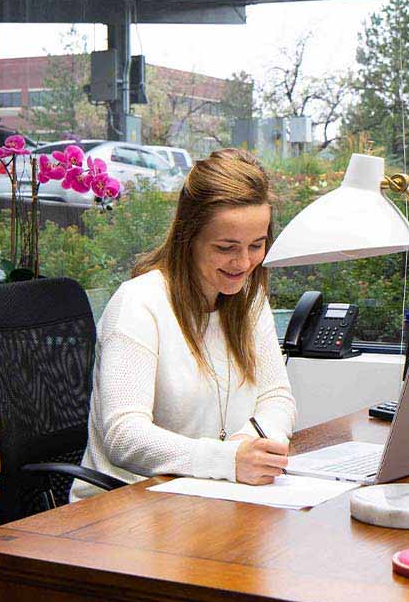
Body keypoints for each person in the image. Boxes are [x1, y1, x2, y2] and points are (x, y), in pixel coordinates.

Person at [78, 149, 296, 497]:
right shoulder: (139, 303)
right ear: (188, 237)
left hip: (208, 498)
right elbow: (123, 435)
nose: (243, 262)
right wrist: (226, 460)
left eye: (257, 245)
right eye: (226, 247)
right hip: (125, 507)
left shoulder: (249, 299)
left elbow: (277, 398)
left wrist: (248, 442)